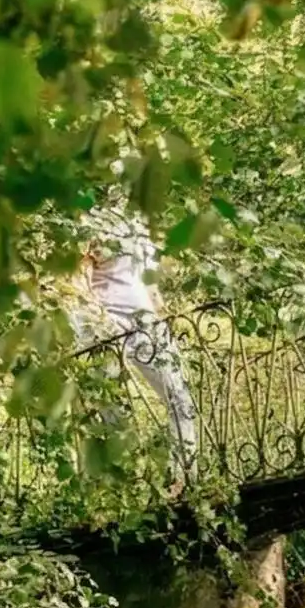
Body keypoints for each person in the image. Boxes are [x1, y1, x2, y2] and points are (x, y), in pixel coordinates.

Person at [70, 202, 199, 483]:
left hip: (148, 327)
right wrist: (99, 326)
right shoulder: (90, 221)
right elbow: (78, 281)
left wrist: (164, 318)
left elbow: (148, 283)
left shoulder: (140, 223)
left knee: (181, 399)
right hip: (107, 331)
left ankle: (184, 480)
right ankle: (130, 488)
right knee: (115, 417)